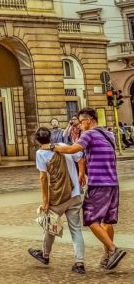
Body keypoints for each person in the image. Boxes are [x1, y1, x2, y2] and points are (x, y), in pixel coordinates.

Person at [53, 108, 126, 271]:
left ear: (88, 120)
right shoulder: (109, 135)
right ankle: (107, 256)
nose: (79, 126)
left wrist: (53, 147)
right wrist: (82, 170)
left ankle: (113, 250)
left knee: (91, 220)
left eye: (80, 122)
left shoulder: (89, 134)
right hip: (113, 183)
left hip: (98, 183)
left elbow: (72, 150)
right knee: (107, 221)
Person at [27, 127, 85, 274]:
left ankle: (45, 255)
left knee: (51, 227)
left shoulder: (40, 154)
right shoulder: (64, 147)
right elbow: (80, 157)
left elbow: (43, 178)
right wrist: (81, 175)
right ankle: (79, 262)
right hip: (74, 194)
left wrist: (45, 201)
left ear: (37, 140)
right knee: (76, 230)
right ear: (51, 137)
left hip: (57, 198)